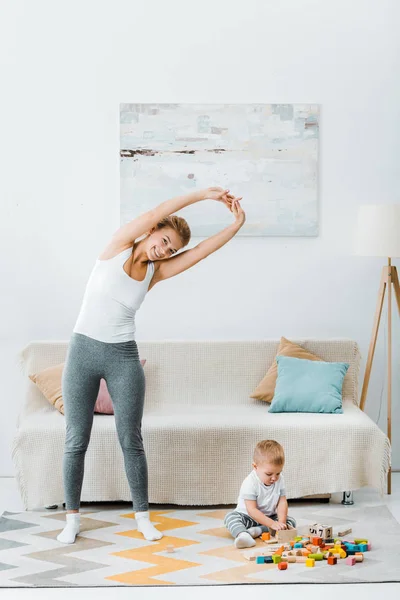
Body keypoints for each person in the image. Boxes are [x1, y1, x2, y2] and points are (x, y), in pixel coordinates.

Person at [57, 186, 245, 544]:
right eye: (164, 240)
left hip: (123, 358)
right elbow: (161, 207)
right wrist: (206, 194)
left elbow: (201, 252)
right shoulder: (118, 245)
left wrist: (235, 225)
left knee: (132, 440)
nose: (165, 249)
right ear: (153, 230)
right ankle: (72, 519)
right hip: (82, 352)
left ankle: (142, 517)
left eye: (172, 249)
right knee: (75, 440)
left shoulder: (155, 273)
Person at [224, 440, 296, 548]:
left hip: (269, 517)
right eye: (269, 474)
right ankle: (243, 535)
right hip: (248, 517)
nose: (274, 478)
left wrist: (281, 523)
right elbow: (251, 510)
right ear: (255, 467)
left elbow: (282, 502)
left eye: (278, 473)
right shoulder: (250, 482)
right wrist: (272, 525)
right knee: (230, 517)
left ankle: (256, 531)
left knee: (290, 521)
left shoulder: (279, 480)